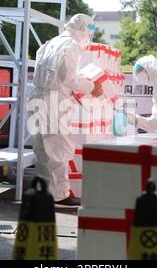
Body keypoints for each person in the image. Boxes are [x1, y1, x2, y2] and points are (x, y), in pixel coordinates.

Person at [28, 14, 103, 207]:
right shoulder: (71, 46)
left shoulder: (50, 43)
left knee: (42, 150)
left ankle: (45, 193)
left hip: (37, 97)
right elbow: (69, 78)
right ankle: (59, 195)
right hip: (53, 100)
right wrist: (91, 86)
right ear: (84, 29)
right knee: (58, 148)